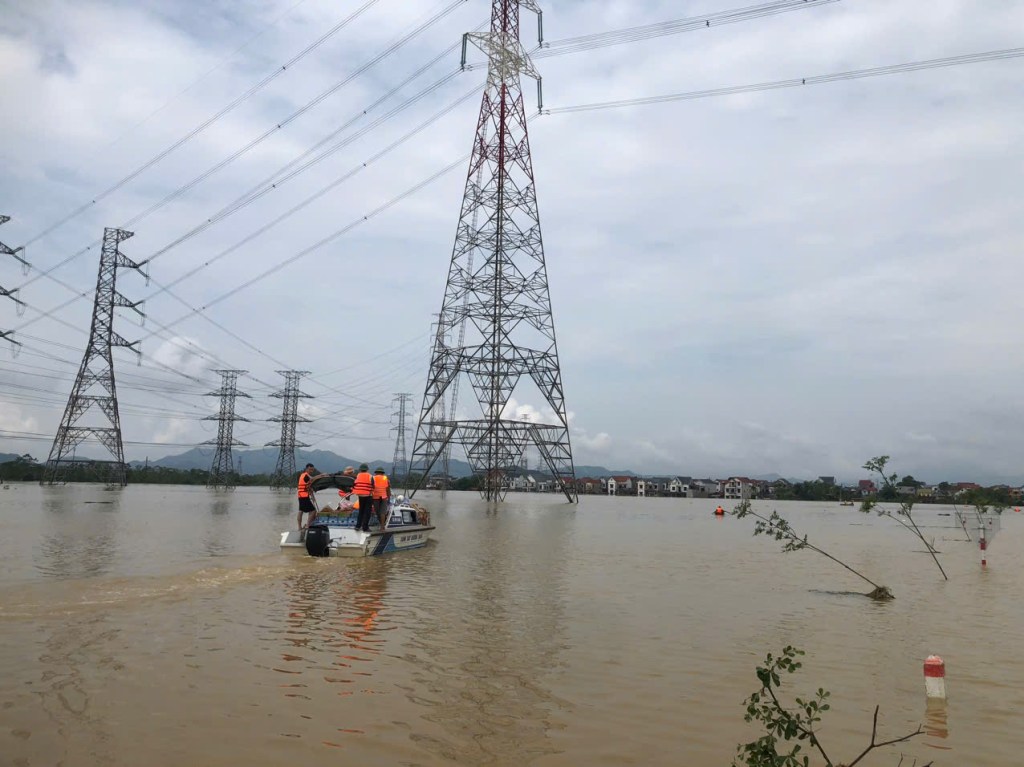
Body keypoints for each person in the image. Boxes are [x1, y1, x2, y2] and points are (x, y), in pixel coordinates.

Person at [352, 464, 374, 532]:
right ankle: (365, 527)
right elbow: (373, 485)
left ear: (360, 469)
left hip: (360, 495)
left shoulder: (358, 475)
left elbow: (355, 484)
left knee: (361, 511)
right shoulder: (370, 476)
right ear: (367, 469)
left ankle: (358, 526)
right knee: (367, 512)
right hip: (368, 495)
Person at [297, 463, 318, 530]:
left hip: (301, 496)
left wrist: (312, 497)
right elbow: (313, 479)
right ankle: (307, 526)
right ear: (306, 469)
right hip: (304, 497)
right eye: (310, 469)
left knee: (301, 511)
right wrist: (321, 475)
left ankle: (300, 527)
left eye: (312, 470)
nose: (311, 471)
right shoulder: (305, 475)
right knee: (313, 511)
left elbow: (309, 488)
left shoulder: (303, 475)